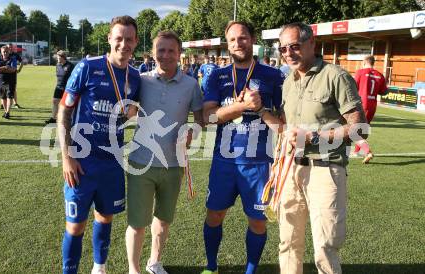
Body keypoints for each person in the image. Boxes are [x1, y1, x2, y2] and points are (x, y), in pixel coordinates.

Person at [278, 22, 366, 274]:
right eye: (283, 48)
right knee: (288, 242)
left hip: (325, 170)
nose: (288, 53)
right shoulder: (288, 81)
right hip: (291, 171)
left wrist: (313, 138)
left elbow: (359, 129)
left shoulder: (335, 76)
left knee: (325, 247)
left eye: (294, 46)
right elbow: (288, 127)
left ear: (311, 44)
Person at [57, 15, 140, 274]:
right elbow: (64, 112)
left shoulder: (135, 77)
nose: (123, 44)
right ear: (109, 39)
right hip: (81, 162)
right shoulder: (87, 67)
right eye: (119, 38)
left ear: (136, 42)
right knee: (75, 225)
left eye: (129, 39)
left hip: (112, 162)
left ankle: (99, 267)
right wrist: (66, 157)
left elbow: (133, 113)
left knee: (105, 217)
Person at [201, 21, 284, 274]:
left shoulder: (273, 76)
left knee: (258, 222)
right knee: (214, 215)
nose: (238, 43)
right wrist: (240, 107)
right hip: (224, 161)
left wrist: (261, 109)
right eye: (233, 39)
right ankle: (211, 266)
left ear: (252, 39)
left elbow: (283, 125)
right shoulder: (217, 75)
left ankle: (250, 271)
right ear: (228, 44)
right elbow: (207, 118)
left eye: (243, 37)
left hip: (259, 163)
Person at [125, 30, 203, 274]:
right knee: (137, 223)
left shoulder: (191, 85)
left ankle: (154, 262)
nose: (166, 55)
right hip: (141, 163)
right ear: (153, 52)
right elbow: (128, 112)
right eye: (161, 50)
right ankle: (133, 269)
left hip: (173, 165)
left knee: (164, 219)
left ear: (179, 54)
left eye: (171, 50)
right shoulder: (141, 79)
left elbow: (199, 121)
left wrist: (191, 133)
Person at [353, 55, 388, 163]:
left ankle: (367, 151)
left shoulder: (360, 72)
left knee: (353, 130)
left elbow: (352, 87)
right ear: (373, 63)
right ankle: (357, 151)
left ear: (364, 62)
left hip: (361, 104)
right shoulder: (380, 75)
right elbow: (384, 92)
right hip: (372, 105)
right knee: (363, 129)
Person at [45, 50, 75, 124]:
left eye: (58, 57)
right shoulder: (58, 65)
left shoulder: (70, 66)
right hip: (58, 86)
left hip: (67, 88)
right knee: (55, 101)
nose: (57, 58)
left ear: (63, 57)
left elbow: (74, 77)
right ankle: (54, 118)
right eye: (57, 57)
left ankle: (69, 119)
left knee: (67, 104)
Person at [0, 45, 17, 119]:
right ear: (1, 52)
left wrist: (0, 69)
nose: (5, 53)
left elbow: (13, 69)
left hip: (10, 81)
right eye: (4, 52)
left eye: (6, 52)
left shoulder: (13, 59)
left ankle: (8, 113)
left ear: (9, 51)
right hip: (1, 81)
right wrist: (5, 67)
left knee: (9, 97)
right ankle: (6, 111)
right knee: (3, 98)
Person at [8, 43, 23, 108]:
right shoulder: (4, 54)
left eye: (11, 47)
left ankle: (15, 103)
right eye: (9, 47)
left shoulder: (15, 54)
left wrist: (19, 69)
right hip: (5, 74)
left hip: (13, 73)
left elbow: (21, 62)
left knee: (13, 88)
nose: (10, 48)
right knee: (4, 88)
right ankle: (3, 104)